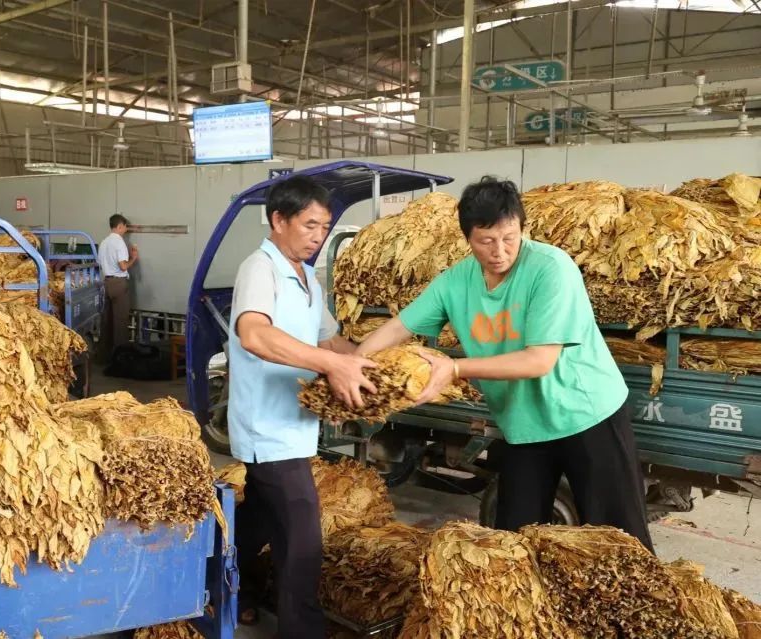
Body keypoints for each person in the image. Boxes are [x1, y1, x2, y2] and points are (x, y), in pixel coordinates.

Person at [358, 176, 654, 551]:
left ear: (521, 229)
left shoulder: (550, 267)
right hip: (524, 424)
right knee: (513, 537)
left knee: (619, 537)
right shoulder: (456, 282)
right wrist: (351, 367)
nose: (500, 250)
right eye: (486, 240)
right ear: (468, 238)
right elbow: (399, 326)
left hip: (587, 415)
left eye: (509, 237)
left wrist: (455, 368)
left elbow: (538, 360)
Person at [229, 175, 377, 639]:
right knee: (302, 544)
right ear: (278, 220)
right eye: (310, 225)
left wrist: (378, 362)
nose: (319, 236)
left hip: (294, 427)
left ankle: (234, 590)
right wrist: (330, 364)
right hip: (266, 429)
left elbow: (328, 338)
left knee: (256, 523)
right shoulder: (260, 268)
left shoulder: (307, 276)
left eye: (325, 226)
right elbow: (253, 333)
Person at [98, 213, 138, 362]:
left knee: (106, 321)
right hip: (119, 284)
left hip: (106, 283)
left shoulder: (104, 242)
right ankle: (120, 359)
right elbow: (122, 266)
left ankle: (103, 357)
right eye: (125, 227)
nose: (125, 230)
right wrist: (133, 258)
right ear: (120, 226)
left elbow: (100, 263)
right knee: (120, 322)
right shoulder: (119, 242)